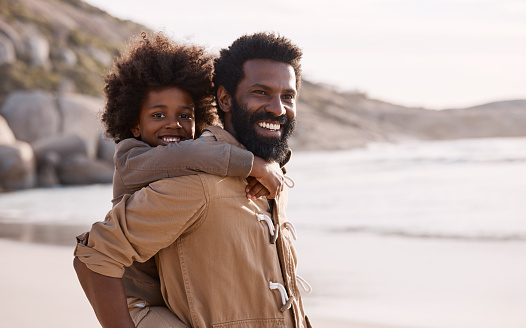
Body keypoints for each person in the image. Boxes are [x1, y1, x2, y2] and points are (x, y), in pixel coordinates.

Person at [74, 32, 311, 328]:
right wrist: (255, 165)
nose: (278, 107)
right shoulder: (192, 179)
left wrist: (270, 166)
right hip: (143, 306)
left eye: (288, 95)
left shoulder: (265, 176)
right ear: (224, 98)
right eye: (260, 92)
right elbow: (95, 256)